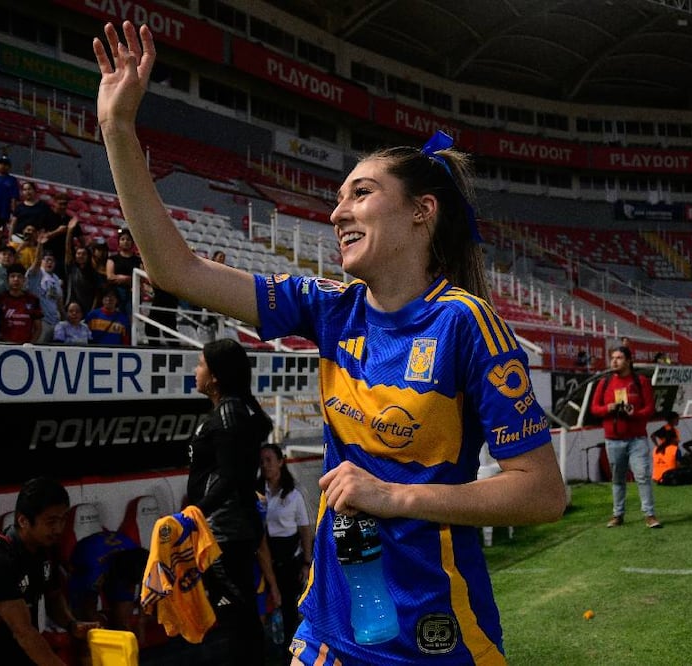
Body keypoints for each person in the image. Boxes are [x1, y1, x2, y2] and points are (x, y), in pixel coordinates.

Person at [94, 22, 565, 664]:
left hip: (434, 634)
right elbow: (178, 272)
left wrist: (392, 496)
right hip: (329, 625)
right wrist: (119, 131)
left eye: (361, 194)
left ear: (421, 212)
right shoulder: (327, 308)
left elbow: (541, 492)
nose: (337, 212)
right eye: (337, 198)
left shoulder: (465, 324)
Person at [187, 339, 274, 665]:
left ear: (216, 376)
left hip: (224, 532)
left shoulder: (228, 415)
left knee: (236, 618)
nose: (195, 371)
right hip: (228, 529)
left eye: (200, 364)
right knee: (240, 616)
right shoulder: (235, 411)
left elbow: (231, 477)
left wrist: (195, 513)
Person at [0, 477, 98, 666]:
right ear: (23, 520)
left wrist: (71, 625)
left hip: (19, 653)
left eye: (63, 520)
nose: (59, 528)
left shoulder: (45, 549)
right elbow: (23, 631)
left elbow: (53, 595)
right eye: (51, 521)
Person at [590, 346, 660, 528]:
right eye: (612, 357)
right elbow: (594, 409)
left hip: (637, 437)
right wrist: (609, 408)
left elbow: (649, 409)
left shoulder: (641, 381)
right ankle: (618, 514)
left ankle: (650, 514)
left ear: (629, 360)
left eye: (619, 357)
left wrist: (633, 412)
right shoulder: (604, 383)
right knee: (618, 479)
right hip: (613, 439)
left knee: (642, 476)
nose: (614, 361)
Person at [258, 443, 313, 658]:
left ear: (281, 462)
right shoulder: (258, 493)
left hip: (288, 560)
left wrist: (306, 563)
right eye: (262, 462)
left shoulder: (293, 496)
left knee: (289, 610)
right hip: (265, 558)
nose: (265, 466)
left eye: (269, 460)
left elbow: (305, 531)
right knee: (267, 606)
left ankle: (291, 656)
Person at [0, 262, 42, 344]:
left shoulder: (33, 299)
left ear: (24, 280)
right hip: (3, 346)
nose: (16, 279)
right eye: (12, 276)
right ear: (7, 279)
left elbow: (38, 328)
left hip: (25, 347)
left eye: (19, 276)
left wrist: (30, 344)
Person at [650, 412, 681, 484]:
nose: (678, 420)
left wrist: (657, 446)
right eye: (677, 419)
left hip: (665, 449)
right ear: (672, 419)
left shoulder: (672, 429)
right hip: (669, 450)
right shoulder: (666, 428)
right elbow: (653, 435)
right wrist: (657, 445)